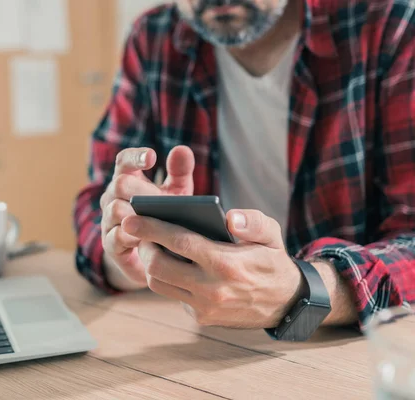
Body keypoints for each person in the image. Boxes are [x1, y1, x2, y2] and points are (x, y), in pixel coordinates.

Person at [73, 0, 415, 337]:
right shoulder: (155, 38)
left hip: (355, 348)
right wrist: (128, 255)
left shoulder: (389, 25)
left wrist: (304, 289)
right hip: (204, 334)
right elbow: (99, 200)